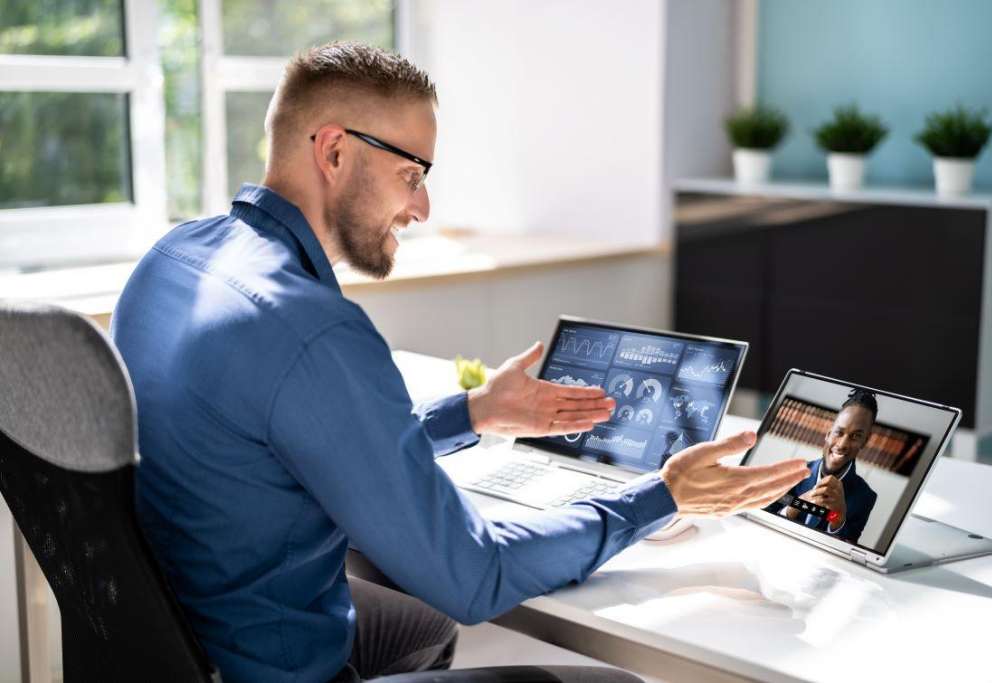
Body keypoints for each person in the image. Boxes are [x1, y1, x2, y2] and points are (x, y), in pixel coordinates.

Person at [111, 42, 808, 683]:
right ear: (332, 152)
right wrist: (662, 496)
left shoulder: (171, 261)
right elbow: (474, 575)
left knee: (417, 624)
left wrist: (474, 412)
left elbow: (296, 432)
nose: (421, 206)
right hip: (280, 666)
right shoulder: (313, 331)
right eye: (410, 173)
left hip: (190, 641)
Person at [768, 389, 879, 545]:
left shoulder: (865, 497)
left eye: (856, 436)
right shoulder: (793, 472)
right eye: (839, 433)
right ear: (828, 434)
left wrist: (837, 518)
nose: (842, 445)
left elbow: (848, 548)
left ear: (865, 442)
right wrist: (798, 504)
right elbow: (764, 514)